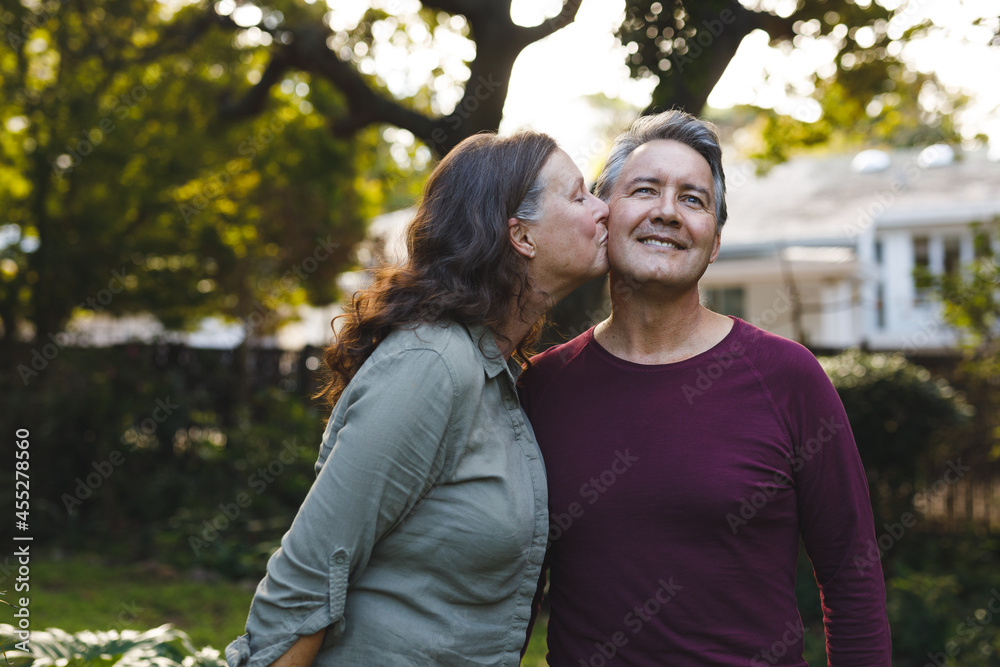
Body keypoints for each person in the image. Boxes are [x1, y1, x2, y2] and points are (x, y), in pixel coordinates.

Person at [519, 110, 891, 666]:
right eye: (645, 190)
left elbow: (850, 577)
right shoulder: (543, 387)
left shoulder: (788, 378)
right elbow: (513, 589)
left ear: (714, 243)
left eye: (693, 200)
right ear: (602, 217)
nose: (667, 212)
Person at [226, 130, 610, 667]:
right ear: (521, 236)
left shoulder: (494, 375)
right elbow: (311, 575)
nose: (605, 209)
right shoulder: (432, 365)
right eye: (580, 196)